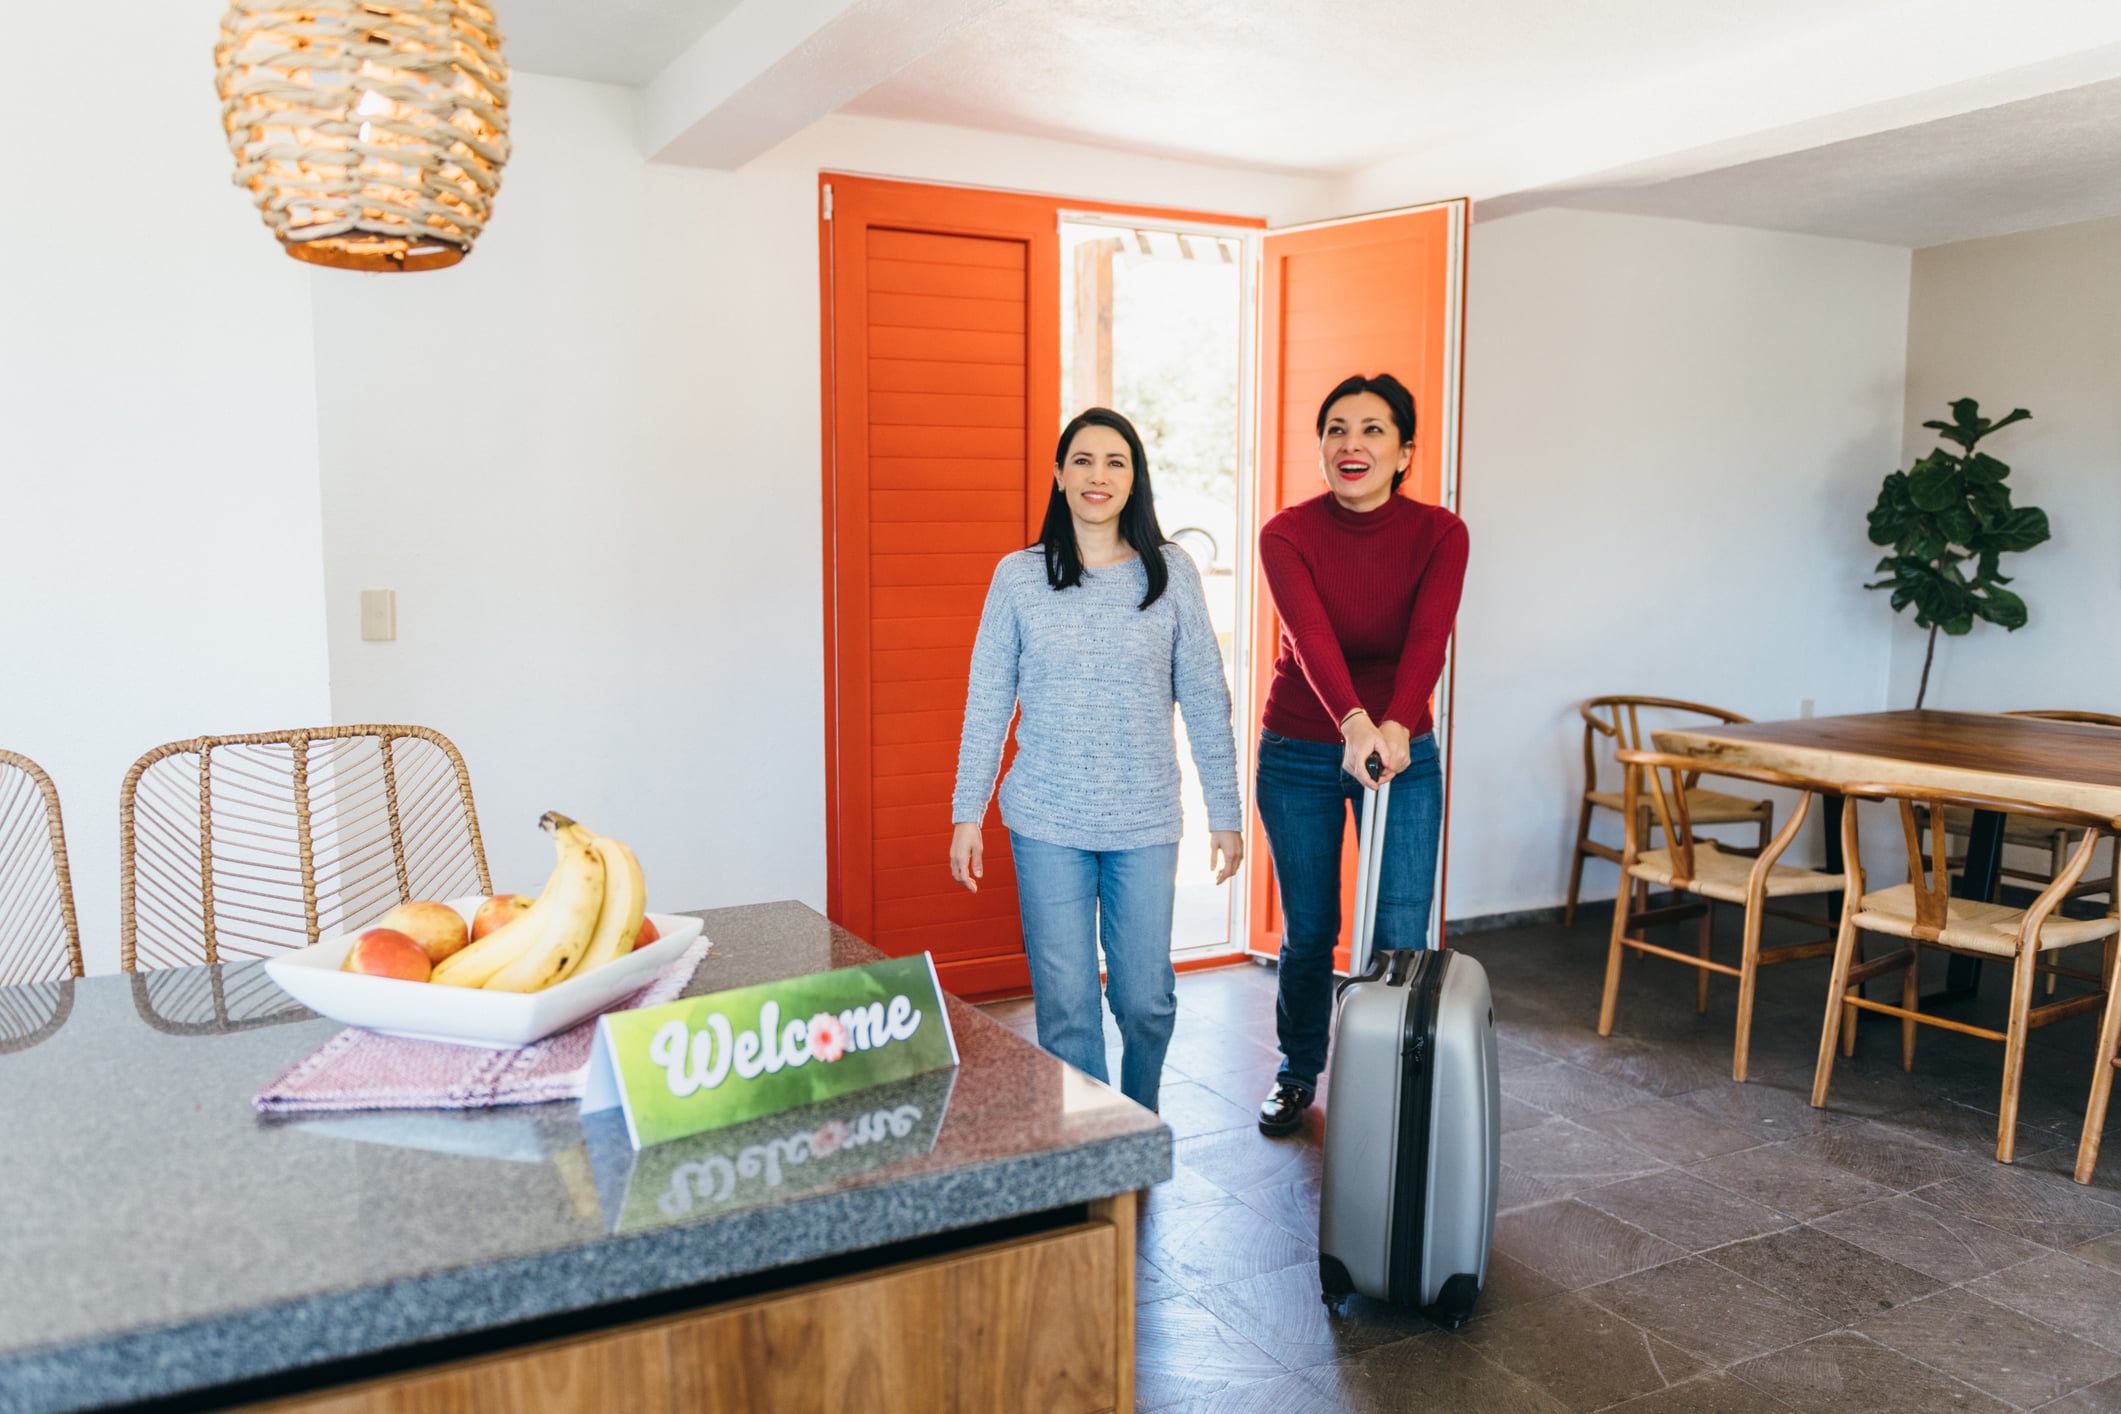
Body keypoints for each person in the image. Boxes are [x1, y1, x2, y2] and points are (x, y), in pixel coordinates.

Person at [949, 407, 1244, 1112]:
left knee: (1146, 1000)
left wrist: (1225, 813)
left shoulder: (1170, 573)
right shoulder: (1017, 578)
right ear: (1058, 476)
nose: (1097, 476)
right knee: (1068, 1010)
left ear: (1134, 478)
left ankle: (1136, 1120)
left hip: (1143, 821)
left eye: (1115, 461)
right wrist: (967, 812)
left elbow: (1206, 700)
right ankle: (1091, 1146)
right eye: (1081, 460)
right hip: (1046, 821)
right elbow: (986, 701)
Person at [1252, 372, 1469, 1137]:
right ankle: (1295, 1072)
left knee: (1400, 931)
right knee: (1311, 929)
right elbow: (1310, 641)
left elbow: (1426, 640)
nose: (1352, 444)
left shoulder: (1440, 533)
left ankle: (1388, 1081)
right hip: (1302, 752)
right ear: (1320, 448)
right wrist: (1352, 722)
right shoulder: (1286, 533)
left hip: (1405, 752)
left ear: (1404, 451)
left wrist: (1397, 727)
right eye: (1337, 429)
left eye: (1373, 430)